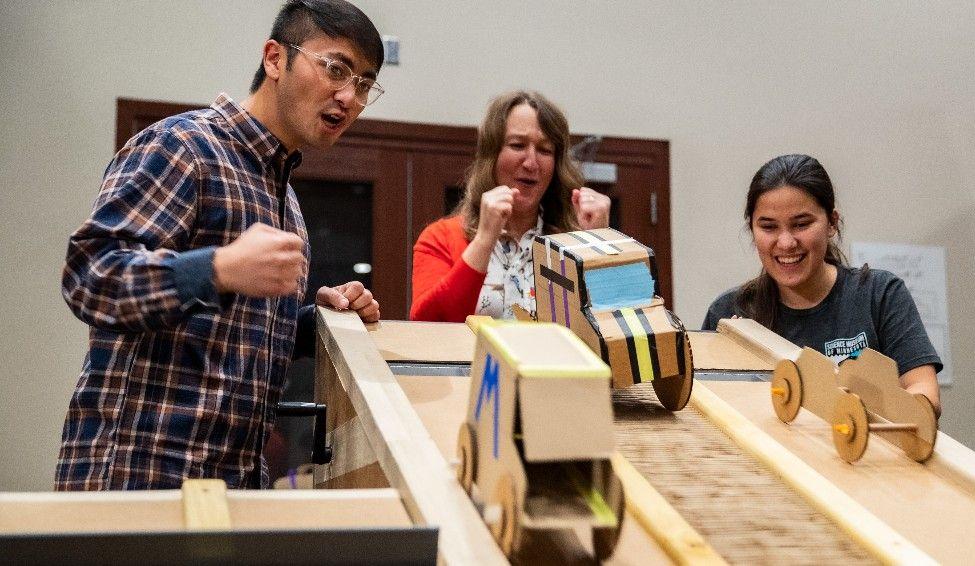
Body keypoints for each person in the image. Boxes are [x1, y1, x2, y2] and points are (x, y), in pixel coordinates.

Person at [56, 0, 385, 490]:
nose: (349, 96)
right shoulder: (184, 146)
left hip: (227, 494)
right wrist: (219, 268)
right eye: (336, 68)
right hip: (138, 484)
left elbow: (233, 336)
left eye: (364, 83)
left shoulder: (286, 202)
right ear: (275, 59)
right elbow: (90, 277)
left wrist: (314, 319)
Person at [702, 154, 941, 413]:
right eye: (769, 227)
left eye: (802, 224)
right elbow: (707, 405)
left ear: (832, 223)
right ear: (752, 230)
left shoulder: (879, 294)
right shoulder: (727, 312)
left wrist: (899, 414)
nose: (786, 243)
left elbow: (923, 390)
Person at [410, 90, 611, 322]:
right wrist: (484, 240)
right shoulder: (441, 238)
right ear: (491, 155)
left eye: (545, 150)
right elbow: (429, 325)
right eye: (517, 145)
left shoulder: (572, 243)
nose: (531, 162)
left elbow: (613, 331)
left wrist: (600, 244)